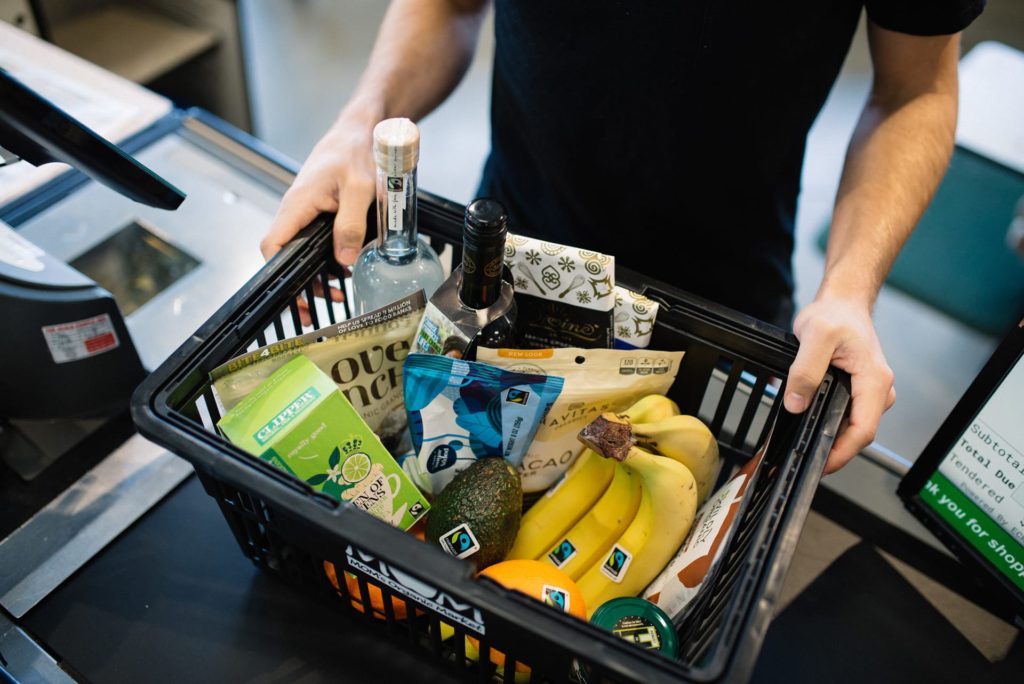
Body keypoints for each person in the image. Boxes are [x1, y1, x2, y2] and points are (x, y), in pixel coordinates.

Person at [260, 0, 985, 474]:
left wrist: (849, 291)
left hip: (718, 321)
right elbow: (449, 6)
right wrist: (366, 118)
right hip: (506, 274)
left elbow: (914, 89)